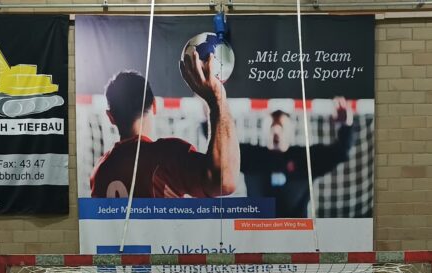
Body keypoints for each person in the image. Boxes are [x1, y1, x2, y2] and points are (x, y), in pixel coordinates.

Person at [90, 56, 239, 198]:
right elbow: (224, 182)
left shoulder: (101, 171)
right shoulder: (167, 156)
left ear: (110, 117)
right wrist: (217, 99)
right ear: (154, 105)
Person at [239, 100, 354, 218]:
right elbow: (226, 151)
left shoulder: (304, 157)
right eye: (272, 127)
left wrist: (345, 126)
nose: (276, 131)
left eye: (281, 127)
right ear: (264, 130)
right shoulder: (251, 156)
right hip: (258, 227)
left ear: (290, 130)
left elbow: (340, 152)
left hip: (297, 227)